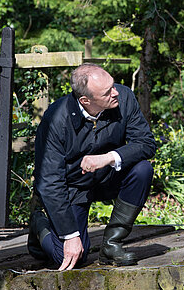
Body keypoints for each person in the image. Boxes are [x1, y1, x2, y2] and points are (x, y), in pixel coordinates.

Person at [28, 63, 156, 270]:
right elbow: (50, 181)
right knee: (69, 258)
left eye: (113, 86)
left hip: (107, 176)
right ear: (85, 100)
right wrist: (70, 235)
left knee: (142, 169)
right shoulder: (56, 118)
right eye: (107, 92)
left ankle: (111, 244)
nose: (116, 93)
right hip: (73, 187)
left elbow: (146, 143)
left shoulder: (123, 97)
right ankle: (39, 224)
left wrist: (108, 157)